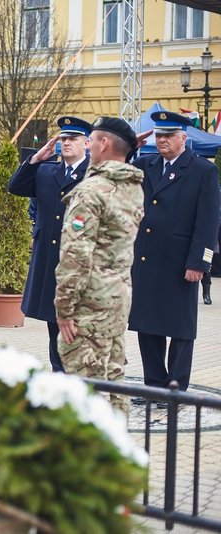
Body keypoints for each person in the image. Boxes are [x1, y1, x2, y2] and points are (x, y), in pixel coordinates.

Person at [54, 117, 144, 413]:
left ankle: (93, 453)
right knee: (115, 378)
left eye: (91, 140)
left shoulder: (90, 192)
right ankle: (120, 449)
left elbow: (75, 256)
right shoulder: (132, 187)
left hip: (89, 307)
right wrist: (128, 148)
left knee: (86, 389)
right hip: (118, 300)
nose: (88, 145)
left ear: (104, 144)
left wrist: (64, 310)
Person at [129, 111, 220, 399]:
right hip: (147, 258)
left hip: (181, 262)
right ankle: (154, 385)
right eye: (158, 135)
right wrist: (131, 146)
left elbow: (208, 221)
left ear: (184, 137)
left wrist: (199, 262)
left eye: (168, 135)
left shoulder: (201, 170)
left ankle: (176, 387)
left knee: (180, 328)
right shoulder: (146, 163)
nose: (162, 140)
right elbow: (117, 170)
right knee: (148, 324)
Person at [8, 116, 92, 372]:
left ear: (87, 143)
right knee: (53, 321)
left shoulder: (93, 173)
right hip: (49, 258)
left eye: (72, 139)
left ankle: (78, 376)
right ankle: (58, 373)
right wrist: (35, 159)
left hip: (78, 261)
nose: (66, 143)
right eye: (63, 138)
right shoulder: (47, 170)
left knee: (77, 323)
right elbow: (16, 187)